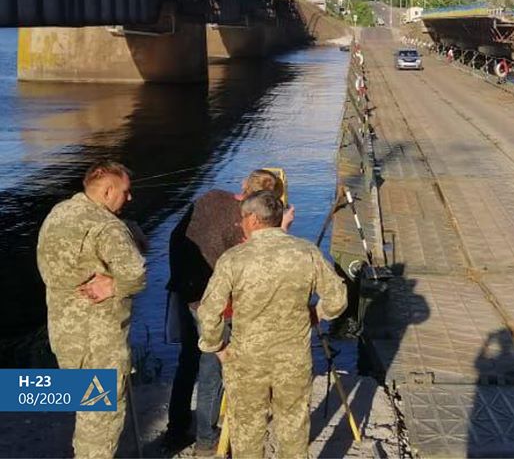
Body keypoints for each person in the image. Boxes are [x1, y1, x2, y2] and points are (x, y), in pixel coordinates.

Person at [198, 191, 347, 458]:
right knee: (293, 428)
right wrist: (315, 314)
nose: (239, 223)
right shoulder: (306, 252)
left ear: (254, 220)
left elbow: (209, 311)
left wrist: (216, 346)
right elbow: (338, 299)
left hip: (246, 360)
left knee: (247, 431)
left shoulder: (234, 258)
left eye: (242, 217)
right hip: (293, 359)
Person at [165, 169, 292, 453]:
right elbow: (261, 269)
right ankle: (207, 441)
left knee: (187, 362)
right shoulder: (247, 225)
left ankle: (176, 428)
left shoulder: (209, 198)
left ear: (243, 184)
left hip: (186, 293)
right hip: (215, 305)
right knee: (213, 370)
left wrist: (180, 280)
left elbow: (177, 235)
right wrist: (281, 233)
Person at [36, 160, 146, 459]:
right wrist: (114, 286)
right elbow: (136, 274)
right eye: (126, 191)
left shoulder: (59, 213)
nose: (130, 197)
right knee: (101, 421)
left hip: (66, 336)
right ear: (108, 191)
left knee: (86, 408)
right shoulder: (106, 227)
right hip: (100, 340)